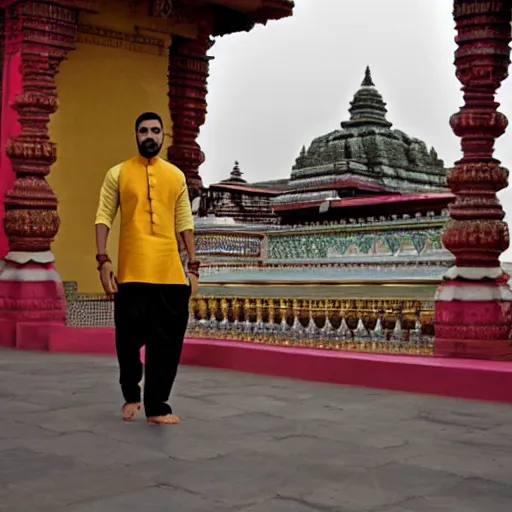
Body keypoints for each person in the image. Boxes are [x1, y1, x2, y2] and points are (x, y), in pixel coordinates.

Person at [94, 111, 199, 425]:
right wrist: (103, 261)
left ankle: (157, 406)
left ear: (163, 135)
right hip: (132, 272)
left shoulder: (176, 176)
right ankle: (130, 395)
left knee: (167, 344)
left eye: (155, 130)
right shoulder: (118, 173)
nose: (149, 136)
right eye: (143, 131)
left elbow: (184, 221)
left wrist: (193, 266)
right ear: (136, 135)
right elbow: (103, 217)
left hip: (169, 273)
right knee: (127, 341)